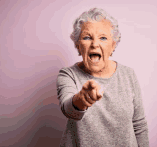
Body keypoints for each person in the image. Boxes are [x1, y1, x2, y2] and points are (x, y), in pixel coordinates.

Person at [56, 7, 149, 147]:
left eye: (103, 38)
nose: (94, 44)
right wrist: (82, 99)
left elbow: (139, 125)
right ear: (77, 45)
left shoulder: (128, 75)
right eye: (87, 37)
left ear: (113, 45)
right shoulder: (68, 75)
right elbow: (68, 109)